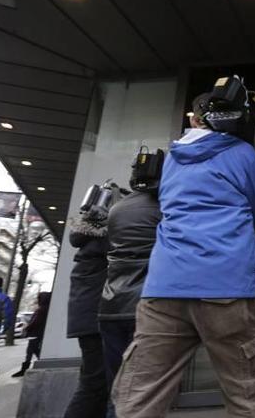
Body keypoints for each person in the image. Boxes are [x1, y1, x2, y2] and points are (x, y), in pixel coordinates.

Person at [112, 91, 255, 418]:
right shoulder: (244, 154)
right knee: (245, 395)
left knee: (139, 399)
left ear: (193, 120)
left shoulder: (172, 158)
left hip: (164, 289)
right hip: (225, 287)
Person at [98, 149, 163, 417]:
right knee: (143, 391)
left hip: (110, 304)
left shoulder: (116, 209)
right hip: (145, 305)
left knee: (118, 386)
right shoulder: (165, 208)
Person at [63, 185, 118, 418]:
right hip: (97, 320)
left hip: (87, 321)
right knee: (96, 384)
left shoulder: (86, 244)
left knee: (94, 381)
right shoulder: (104, 244)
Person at [13, 292, 51, 377]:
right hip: (39, 333)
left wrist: (27, 328)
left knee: (31, 350)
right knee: (34, 350)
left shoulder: (41, 310)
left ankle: (25, 368)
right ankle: (29, 366)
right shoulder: (47, 309)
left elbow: (35, 322)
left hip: (35, 333)